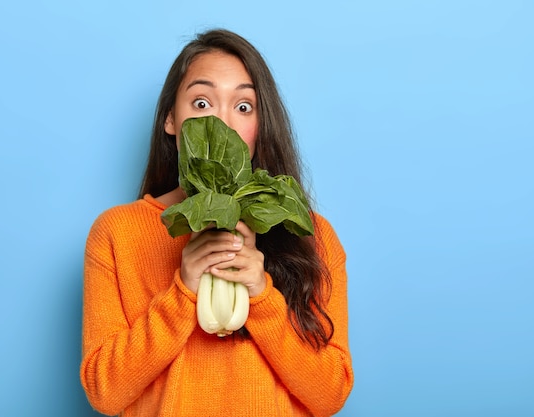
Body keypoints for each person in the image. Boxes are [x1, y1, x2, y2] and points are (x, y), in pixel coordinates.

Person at [80, 29, 353, 416]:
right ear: (171, 119)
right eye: (202, 102)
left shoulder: (311, 234)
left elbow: (330, 395)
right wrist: (183, 291)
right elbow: (104, 393)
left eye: (243, 107)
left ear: (263, 124)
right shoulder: (116, 233)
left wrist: (261, 294)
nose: (222, 124)